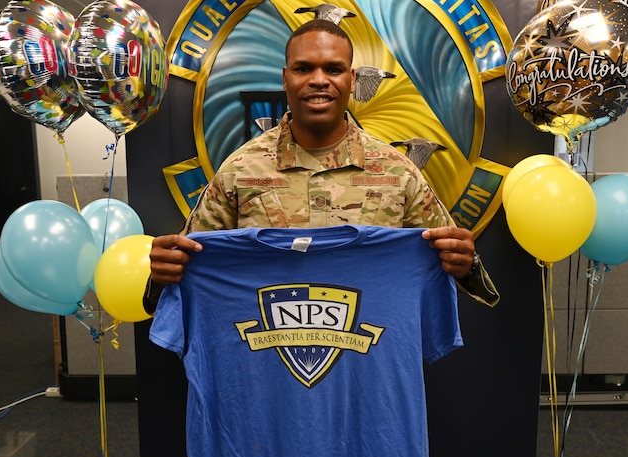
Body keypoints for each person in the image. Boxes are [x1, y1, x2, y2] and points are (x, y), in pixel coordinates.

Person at [145, 18, 499, 311]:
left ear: (353, 80)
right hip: (268, 368)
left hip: (368, 365)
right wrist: (162, 273)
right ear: (286, 78)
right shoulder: (240, 171)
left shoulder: (398, 172)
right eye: (304, 68)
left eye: (333, 69)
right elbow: (188, 263)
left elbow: (460, 269)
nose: (318, 80)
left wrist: (466, 264)